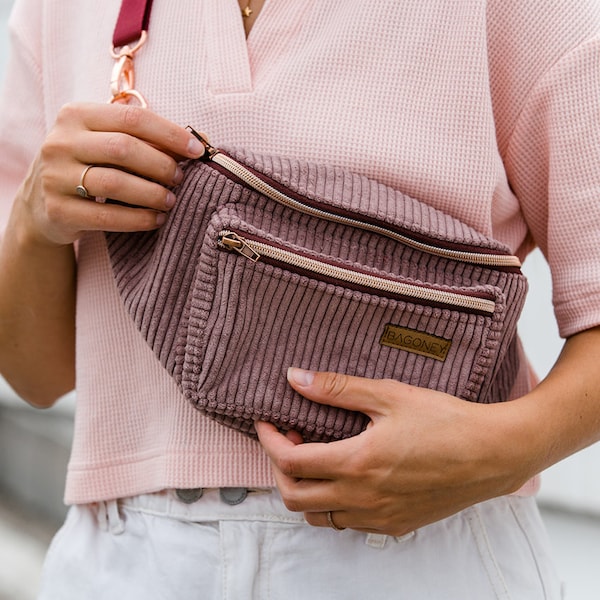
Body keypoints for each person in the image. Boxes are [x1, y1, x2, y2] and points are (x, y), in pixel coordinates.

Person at [1, 0, 599, 597]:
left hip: (422, 554)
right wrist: (33, 222)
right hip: (123, 564)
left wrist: (500, 451)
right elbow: (39, 376)